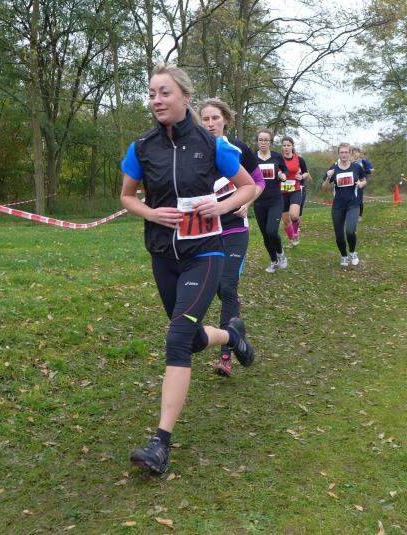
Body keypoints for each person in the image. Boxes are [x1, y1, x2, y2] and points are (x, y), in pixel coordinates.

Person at [120, 64, 257, 474]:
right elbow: (127, 196)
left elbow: (249, 186)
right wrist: (151, 213)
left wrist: (222, 205)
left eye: (164, 92)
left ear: (184, 97)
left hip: (205, 253)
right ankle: (232, 335)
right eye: (151, 94)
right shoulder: (142, 147)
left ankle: (160, 444)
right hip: (163, 254)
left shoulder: (210, 144)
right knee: (192, 339)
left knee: (177, 340)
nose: (156, 100)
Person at [198, 98, 265, 378]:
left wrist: (247, 202)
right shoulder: (194, 153)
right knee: (220, 288)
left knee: (227, 285)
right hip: (207, 232)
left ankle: (225, 357)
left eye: (215, 118)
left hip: (236, 228)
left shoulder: (238, 149)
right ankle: (236, 326)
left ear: (225, 119)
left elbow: (258, 182)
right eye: (205, 119)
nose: (210, 123)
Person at [321, 143, 367, 267]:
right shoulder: (333, 168)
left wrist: (361, 184)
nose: (344, 155)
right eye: (342, 152)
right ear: (338, 154)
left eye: (346, 152)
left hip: (353, 204)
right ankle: (344, 256)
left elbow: (364, 180)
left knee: (350, 231)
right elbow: (324, 189)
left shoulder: (356, 167)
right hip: (338, 206)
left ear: (350, 153)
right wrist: (328, 178)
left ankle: (352, 252)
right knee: (339, 235)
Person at [252, 128, 287, 272]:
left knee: (272, 231)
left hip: (275, 200)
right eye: (261, 140)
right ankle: (273, 261)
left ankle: (281, 253)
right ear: (257, 141)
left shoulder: (277, 157)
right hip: (259, 202)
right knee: (265, 235)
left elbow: (285, 170)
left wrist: (283, 175)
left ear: (271, 142)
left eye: (266, 140)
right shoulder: (252, 158)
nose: (263, 142)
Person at [279, 136, 311, 247]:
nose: (286, 147)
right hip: (281, 192)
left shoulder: (299, 159)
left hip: (295, 190)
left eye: (288, 145)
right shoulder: (278, 159)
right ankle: (291, 240)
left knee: (294, 216)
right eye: (284, 145)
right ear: (282, 147)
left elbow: (306, 173)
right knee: (286, 221)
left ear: (292, 146)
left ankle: (296, 232)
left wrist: (301, 177)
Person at [351, 147, 374, 220]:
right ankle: (352, 213)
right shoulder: (351, 162)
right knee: (352, 197)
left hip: (362, 181)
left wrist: (362, 170)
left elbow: (371, 170)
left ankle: (359, 215)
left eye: (356, 153)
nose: (355, 154)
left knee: (359, 197)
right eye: (353, 153)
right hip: (353, 182)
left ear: (359, 153)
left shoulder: (364, 162)